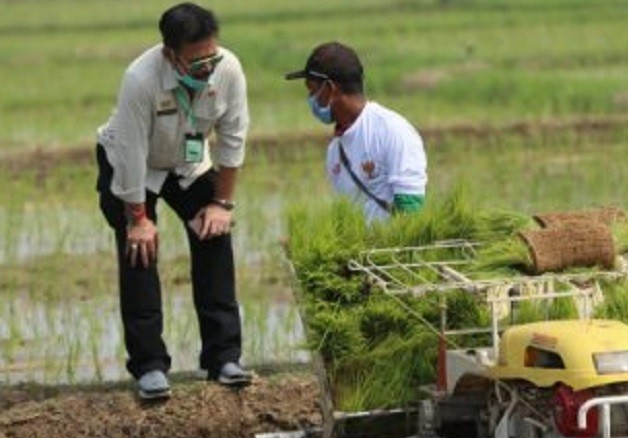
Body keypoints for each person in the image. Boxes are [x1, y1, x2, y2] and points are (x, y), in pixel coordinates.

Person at [95, 2, 251, 400]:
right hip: (135, 166)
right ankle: (149, 366)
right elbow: (130, 155)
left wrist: (222, 205)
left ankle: (224, 358)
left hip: (187, 162)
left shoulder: (228, 69)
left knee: (214, 235)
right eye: (195, 62)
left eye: (211, 57)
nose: (207, 68)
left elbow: (233, 139)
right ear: (170, 55)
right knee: (139, 252)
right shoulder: (140, 80)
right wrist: (138, 219)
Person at [285, 41, 427, 223]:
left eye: (312, 91)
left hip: (392, 249)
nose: (310, 100)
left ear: (330, 89)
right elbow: (348, 218)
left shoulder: (393, 131)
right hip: (362, 251)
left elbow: (411, 212)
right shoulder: (334, 152)